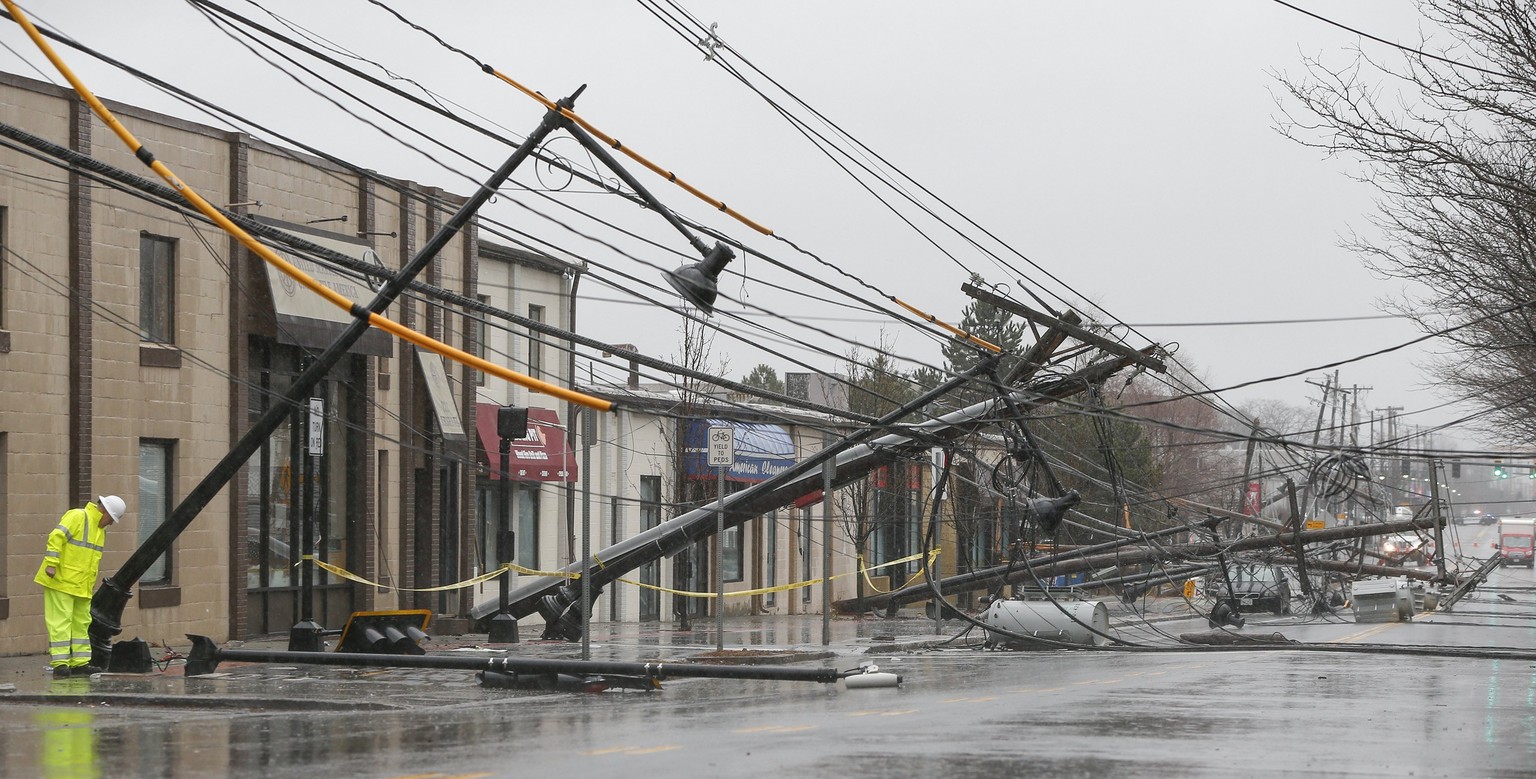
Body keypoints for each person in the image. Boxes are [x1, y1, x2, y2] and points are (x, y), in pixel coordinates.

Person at [34, 495, 125, 677]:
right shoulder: (78, 516)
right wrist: (51, 563)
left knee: (82, 624)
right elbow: (56, 537)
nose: (111, 524)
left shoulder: (100, 531)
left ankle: (80, 663)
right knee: (61, 622)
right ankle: (61, 664)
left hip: (81, 587)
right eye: (111, 519)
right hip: (61, 581)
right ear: (104, 511)